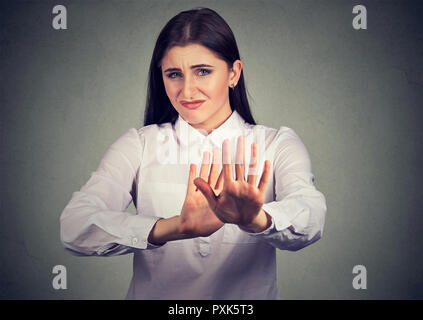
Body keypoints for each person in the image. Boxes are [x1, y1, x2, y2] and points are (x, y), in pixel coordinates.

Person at [60, 7, 327, 300]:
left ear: (233, 73)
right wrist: (173, 228)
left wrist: (257, 219)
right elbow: (74, 226)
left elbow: (311, 214)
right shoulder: (138, 145)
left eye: (203, 71)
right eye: (174, 74)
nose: (187, 91)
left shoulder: (276, 144)